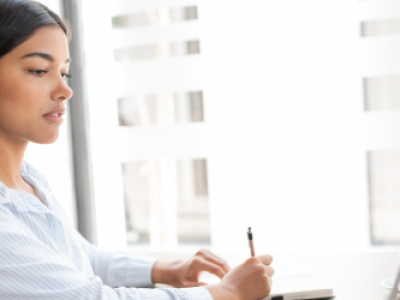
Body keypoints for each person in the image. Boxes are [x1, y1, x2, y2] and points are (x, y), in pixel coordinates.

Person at [0, 0, 274, 299]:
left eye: (64, 73)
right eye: (39, 70)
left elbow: (77, 257)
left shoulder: (27, 180)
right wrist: (225, 292)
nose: (65, 90)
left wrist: (165, 269)